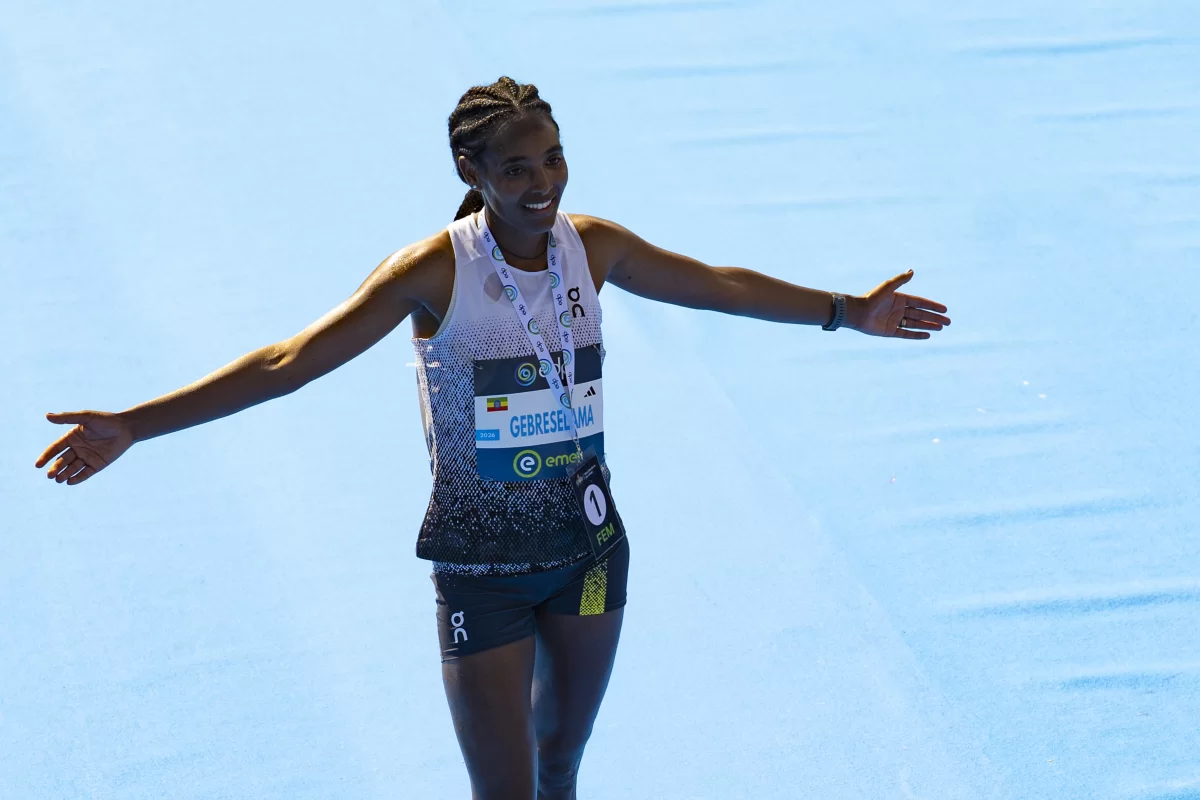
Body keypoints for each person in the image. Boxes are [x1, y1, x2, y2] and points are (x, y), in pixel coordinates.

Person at [34, 76, 951, 799]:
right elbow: (288, 362)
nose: (542, 183)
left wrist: (845, 312)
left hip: (590, 549)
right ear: (472, 175)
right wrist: (135, 426)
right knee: (507, 793)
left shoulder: (593, 247)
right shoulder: (436, 271)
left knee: (562, 766)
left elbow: (719, 284)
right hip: (482, 569)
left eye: (553, 160)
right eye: (516, 169)